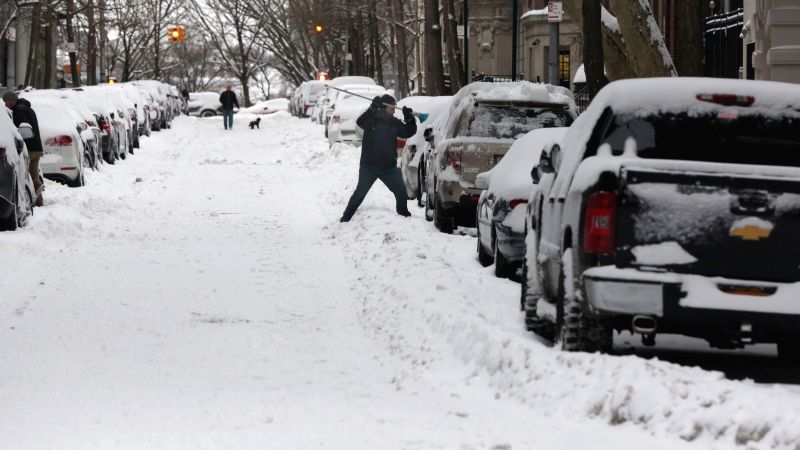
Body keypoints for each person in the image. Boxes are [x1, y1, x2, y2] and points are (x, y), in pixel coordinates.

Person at [340, 94, 416, 222]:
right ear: (384, 107)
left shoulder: (394, 122)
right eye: (392, 106)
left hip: (388, 167)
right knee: (360, 193)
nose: (394, 109)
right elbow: (360, 122)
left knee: (401, 191)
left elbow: (408, 131)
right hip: (369, 166)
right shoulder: (372, 119)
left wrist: (409, 117)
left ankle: (404, 218)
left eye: (395, 106)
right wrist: (372, 108)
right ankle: (345, 219)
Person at [3, 91, 44, 206]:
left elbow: (22, 130)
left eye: (6, 102)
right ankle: (39, 200)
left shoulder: (18, 111)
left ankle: (38, 186)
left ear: (11, 101)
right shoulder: (27, 108)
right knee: (33, 173)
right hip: (36, 147)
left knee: (29, 174)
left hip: (29, 148)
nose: (6, 105)